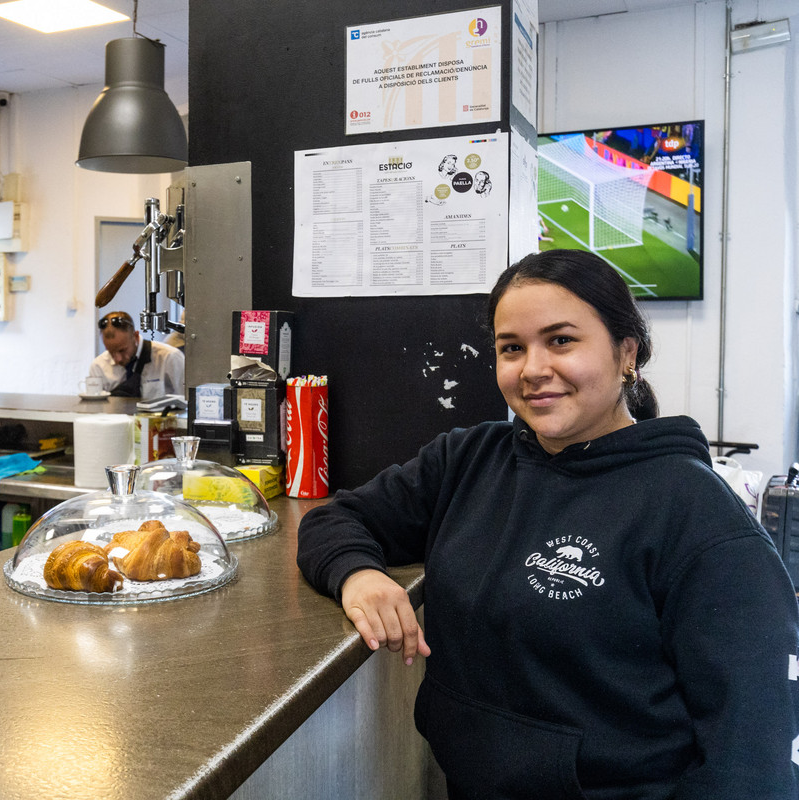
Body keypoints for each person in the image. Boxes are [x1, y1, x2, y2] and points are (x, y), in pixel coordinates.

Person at [296, 249, 799, 799]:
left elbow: (753, 754)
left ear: (626, 353)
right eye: (512, 348)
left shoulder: (696, 514)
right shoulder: (468, 459)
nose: (533, 369)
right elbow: (337, 519)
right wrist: (358, 575)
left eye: (561, 341)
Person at [89, 310, 185, 400]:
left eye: (122, 350)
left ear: (135, 336)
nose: (117, 359)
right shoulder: (98, 366)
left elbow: (188, 403)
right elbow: (96, 408)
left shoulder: (170, 358)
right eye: (111, 352)